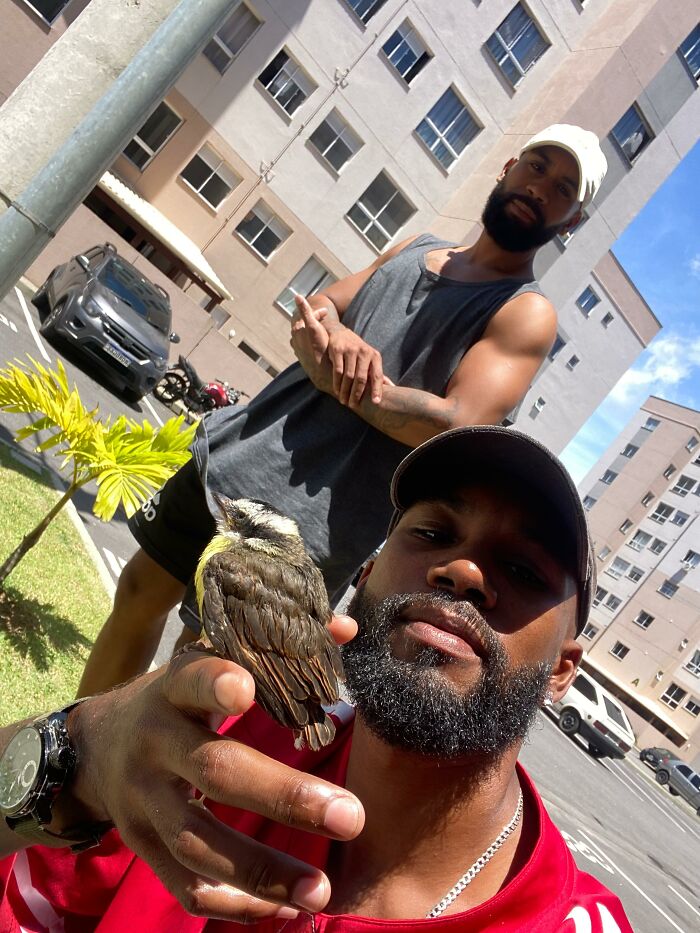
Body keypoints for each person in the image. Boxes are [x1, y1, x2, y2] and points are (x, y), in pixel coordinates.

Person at [0, 426, 633, 931]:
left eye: (523, 571)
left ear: (561, 671)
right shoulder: (209, 742)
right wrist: (76, 752)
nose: (463, 570)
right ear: (362, 579)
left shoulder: (573, 922)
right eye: (434, 533)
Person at [76, 124, 608, 698]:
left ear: (570, 222)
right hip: (237, 452)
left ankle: (109, 781)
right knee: (135, 595)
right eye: (538, 166)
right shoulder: (415, 247)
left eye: (562, 189)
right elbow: (321, 304)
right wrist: (336, 334)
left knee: (196, 674)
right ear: (509, 167)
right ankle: (64, 761)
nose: (541, 188)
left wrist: (336, 368)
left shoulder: (525, 313)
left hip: (306, 527)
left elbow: (455, 424)